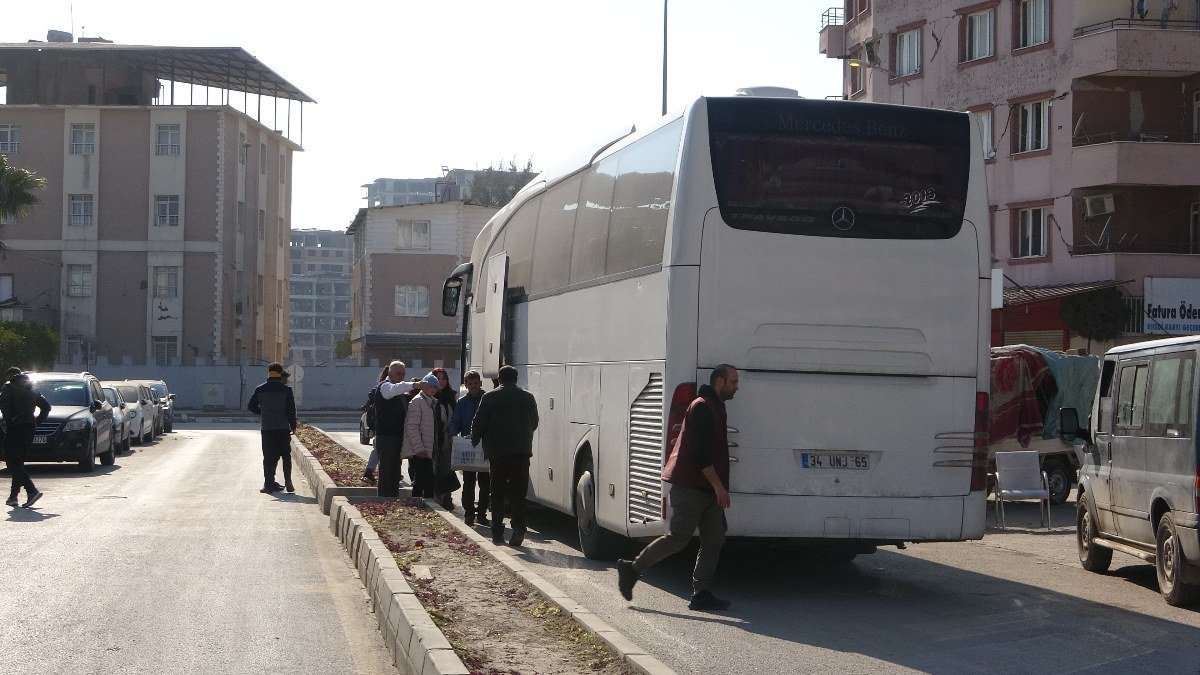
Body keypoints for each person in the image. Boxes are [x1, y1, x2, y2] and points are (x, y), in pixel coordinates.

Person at [617, 364, 740, 612]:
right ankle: (632, 569)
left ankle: (701, 593)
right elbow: (701, 456)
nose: (737, 387)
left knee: (714, 539)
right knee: (678, 538)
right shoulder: (703, 407)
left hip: (706, 488)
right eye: (733, 382)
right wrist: (719, 487)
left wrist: (716, 487)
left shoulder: (716, 406)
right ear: (719, 382)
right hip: (691, 488)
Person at [470, 365, 538, 546]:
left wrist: (474, 438)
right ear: (516, 379)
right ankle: (518, 528)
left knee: (497, 492)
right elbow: (534, 422)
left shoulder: (490, 397)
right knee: (518, 493)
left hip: (498, 454)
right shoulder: (528, 397)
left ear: (499, 379)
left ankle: (498, 534)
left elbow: (479, 422)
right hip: (521, 453)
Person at [1, 367, 51, 508]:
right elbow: (46, 407)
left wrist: (9, 418)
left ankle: (31, 490)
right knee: (18, 463)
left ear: (10, 376)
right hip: (29, 430)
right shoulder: (32, 388)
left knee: (12, 462)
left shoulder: (9, 387)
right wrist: (36, 422)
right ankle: (13, 497)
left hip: (15, 429)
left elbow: (3, 405)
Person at [247, 362, 298, 493]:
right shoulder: (286, 390)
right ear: (280, 374)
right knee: (286, 454)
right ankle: (288, 481)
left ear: (269, 373)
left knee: (268, 456)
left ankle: (268, 484)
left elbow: (251, 406)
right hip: (282, 428)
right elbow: (291, 410)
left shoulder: (260, 389)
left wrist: (263, 412)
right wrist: (293, 425)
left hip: (267, 428)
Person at [450, 370, 490, 526]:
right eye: (470, 384)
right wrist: (453, 435)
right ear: (465, 385)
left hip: (485, 446)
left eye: (476, 383)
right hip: (468, 446)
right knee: (468, 483)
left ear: (480, 383)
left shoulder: (488, 399)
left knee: (485, 484)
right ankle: (468, 514)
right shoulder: (461, 402)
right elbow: (456, 420)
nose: (473, 386)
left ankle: (481, 514)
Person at [374, 360, 416, 498]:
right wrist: (414, 384)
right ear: (390, 373)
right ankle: (385, 501)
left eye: (403, 374)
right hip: (386, 437)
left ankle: (392, 500)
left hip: (397, 437)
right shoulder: (385, 387)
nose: (401, 376)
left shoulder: (399, 391)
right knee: (386, 472)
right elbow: (392, 390)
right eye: (398, 373)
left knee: (395, 473)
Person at [402, 374, 442, 498]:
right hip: (420, 450)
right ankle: (419, 505)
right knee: (422, 481)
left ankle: (423, 505)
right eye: (430, 386)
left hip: (427, 448)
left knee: (425, 480)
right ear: (423, 386)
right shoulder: (418, 401)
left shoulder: (430, 401)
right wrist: (419, 448)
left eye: (435, 387)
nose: (433, 389)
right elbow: (412, 427)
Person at [362, 365, 389, 484]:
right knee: (379, 450)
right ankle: (370, 471)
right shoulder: (383, 388)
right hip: (382, 426)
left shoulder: (377, 389)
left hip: (379, 426)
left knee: (379, 450)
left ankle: (372, 471)